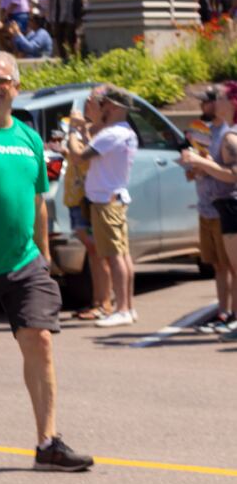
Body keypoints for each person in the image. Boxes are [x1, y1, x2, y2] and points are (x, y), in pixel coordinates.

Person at [0, 51, 93, 472]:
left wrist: (43, 254)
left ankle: (48, 442)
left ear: (16, 86)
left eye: (2, 80)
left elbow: (38, 203)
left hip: (24, 263)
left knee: (39, 340)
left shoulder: (28, 138)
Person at [68, 86, 138, 327]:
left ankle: (122, 309)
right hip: (113, 198)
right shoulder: (123, 132)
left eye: (105, 104)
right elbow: (96, 151)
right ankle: (127, 307)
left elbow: (78, 156)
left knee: (114, 256)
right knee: (122, 255)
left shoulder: (113, 134)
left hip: (106, 201)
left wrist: (72, 130)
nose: (102, 108)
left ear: (115, 107)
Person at [180, 83, 237, 340]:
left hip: (229, 205)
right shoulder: (212, 132)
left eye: (222, 98)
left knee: (233, 266)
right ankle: (227, 314)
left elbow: (234, 174)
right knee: (221, 266)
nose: (207, 104)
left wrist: (201, 162)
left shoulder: (230, 135)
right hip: (213, 206)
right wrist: (198, 165)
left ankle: (232, 316)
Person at [65, 89, 113, 320]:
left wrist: (76, 129)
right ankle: (97, 300)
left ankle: (105, 302)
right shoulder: (91, 128)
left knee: (98, 251)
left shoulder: (102, 131)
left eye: (92, 102)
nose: (87, 105)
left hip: (91, 197)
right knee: (93, 251)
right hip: (77, 196)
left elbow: (81, 155)